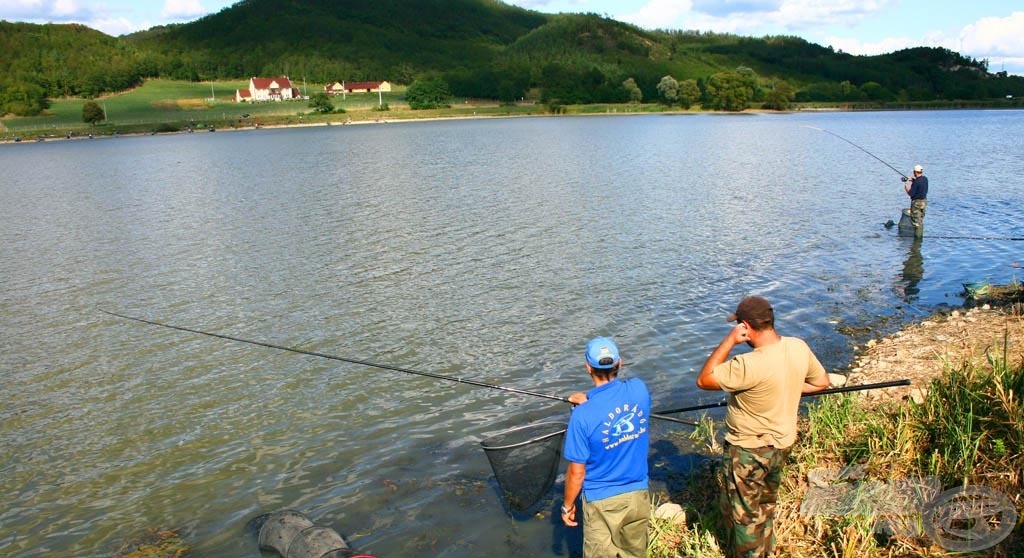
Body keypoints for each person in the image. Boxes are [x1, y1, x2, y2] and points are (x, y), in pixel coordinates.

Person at [696, 296, 830, 558]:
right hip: (781, 446)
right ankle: (765, 550)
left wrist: (729, 341)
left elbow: (704, 379)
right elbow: (821, 382)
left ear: (745, 326)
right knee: (765, 506)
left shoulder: (748, 364)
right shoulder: (798, 347)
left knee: (745, 516)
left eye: (739, 327)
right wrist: (786, 386)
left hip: (748, 450)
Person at [561, 336, 651, 558]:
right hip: (638, 494)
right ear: (619, 363)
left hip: (602, 500)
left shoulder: (581, 416)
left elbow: (576, 472)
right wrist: (589, 398)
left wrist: (567, 506)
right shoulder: (639, 390)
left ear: (587, 367)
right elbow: (614, 396)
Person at [904, 164, 928, 237]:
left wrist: (906, 187)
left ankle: (917, 238)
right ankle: (920, 236)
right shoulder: (925, 179)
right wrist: (912, 180)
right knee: (920, 219)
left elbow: (911, 193)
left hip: (916, 203)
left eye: (914, 172)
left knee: (915, 222)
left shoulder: (917, 182)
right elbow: (919, 182)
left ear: (915, 172)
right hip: (924, 202)